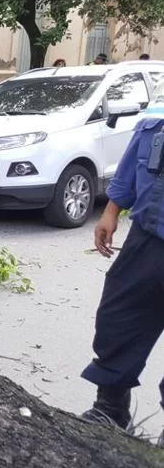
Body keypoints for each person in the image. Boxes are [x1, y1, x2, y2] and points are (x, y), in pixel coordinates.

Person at [79, 82, 164, 437]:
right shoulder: (159, 105)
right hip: (148, 238)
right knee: (118, 318)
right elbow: (137, 158)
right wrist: (112, 209)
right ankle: (111, 408)